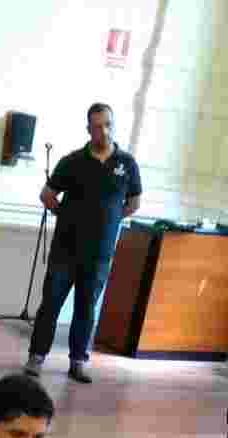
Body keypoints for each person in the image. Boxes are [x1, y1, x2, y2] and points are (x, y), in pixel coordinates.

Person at [25, 104, 141, 385]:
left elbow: (133, 204)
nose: (103, 131)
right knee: (50, 304)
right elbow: (47, 194)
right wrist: (63, 214)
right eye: (97, 126)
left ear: (114, 125)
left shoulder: (127, 164)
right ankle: (36, 359)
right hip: (66, 250)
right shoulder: (72, 161)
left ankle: (78, 362)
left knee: (86, 309)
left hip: (99, 254)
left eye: (108, 124)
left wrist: (109, 220)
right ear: (88, 129)